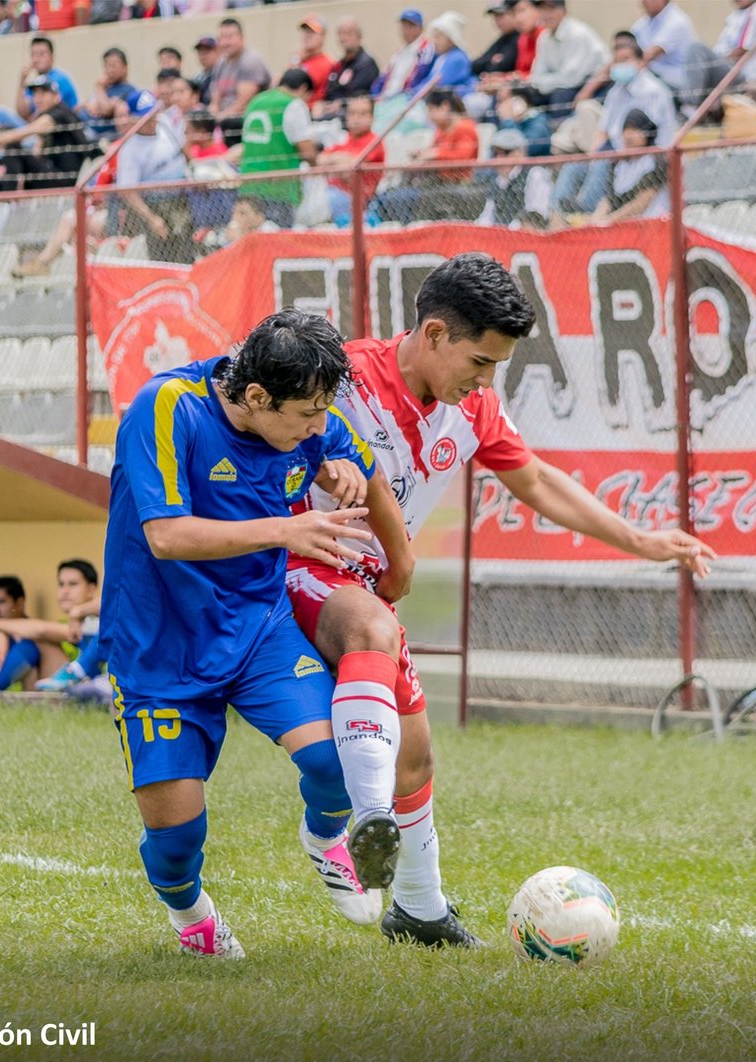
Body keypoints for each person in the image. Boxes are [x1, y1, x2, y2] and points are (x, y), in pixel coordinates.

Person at [286, 255, 715, 945]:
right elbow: (265, 421)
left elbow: (537, 482)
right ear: (433, 333)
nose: (486, 382)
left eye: (496, 368)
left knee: (417, 752)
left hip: (375, 582)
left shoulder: (473, 408)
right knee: (371, 631)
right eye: (479, 362)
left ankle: (420, 912)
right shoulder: (344, 379)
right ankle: (356, 823)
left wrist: (638, 539)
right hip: (303, 562)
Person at [101, 308, 408, 957]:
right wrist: (285, 529)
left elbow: (359, 464)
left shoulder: (309, 423)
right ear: (257, 396)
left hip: (257, 625)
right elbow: (165, 535)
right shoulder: (168, 407)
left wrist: (348, 479)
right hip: (158, 646)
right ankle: (192, 915)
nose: (318, 428)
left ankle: (326, 839)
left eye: (325, 413)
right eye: (305, 416)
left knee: (333, 764)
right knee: (178, 836)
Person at [554, 33, 676, 218]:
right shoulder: (615, 91)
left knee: (602, 162)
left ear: (640, 61)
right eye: (617, 61)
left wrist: (611, 154)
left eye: (626, 59)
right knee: (574, 166)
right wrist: (591, 156)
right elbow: (602, 132)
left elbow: (649, 133)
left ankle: (585, 210)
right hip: (616, 152)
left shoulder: (654, 91)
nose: (621, 65)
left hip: (642, 153)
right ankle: (558, 212)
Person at [0, 559, 101, 689]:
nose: (65, 591)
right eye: (61, 584)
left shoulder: (94, 620)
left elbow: (40, 630)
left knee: (39, 640)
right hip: (65, 685)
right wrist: (2, 633)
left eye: (73, 584)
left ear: (91, 589)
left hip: (90, 687)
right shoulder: (65, 622)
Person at [374, 89, 483, 224]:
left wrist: (435, 154)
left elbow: (463, 157)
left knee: (404, 198)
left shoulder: (465, 127)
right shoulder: (441, 130)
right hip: (435, 182)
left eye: (431, 110)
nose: (430, 117)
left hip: (454, 184)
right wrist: (422, 155)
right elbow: (434, 152)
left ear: (444, 107)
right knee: (391, 194)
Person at [111, 103, 193, 263]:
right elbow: (127, 191)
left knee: (187, 252)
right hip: (157, 205)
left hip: (183, 199)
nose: (153, 121)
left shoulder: (165, 125)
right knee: (164, 257)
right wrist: (152, 218)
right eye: (147, 119)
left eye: (154, 116)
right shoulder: (130, 149)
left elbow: (183, 149)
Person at [237, 68, 317, 228]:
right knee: (277, 244)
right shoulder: (293, 104)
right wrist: (315, 161)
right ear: (303, 88)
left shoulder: (255, 101)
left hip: (248, 185)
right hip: (278, 188)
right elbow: (307, 151)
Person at [0, 76, 91, 190]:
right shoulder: (47, 114)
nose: (37, 99)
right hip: (50, 173)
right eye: (35, 94)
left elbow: (28, 131)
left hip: (64, 178)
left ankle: (8, 198)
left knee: (12, 146)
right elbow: (37, 154)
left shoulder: (59, 113)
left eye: (43, 93)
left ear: (56, 96)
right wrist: (3, 167)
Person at [527, 0, 609, 111]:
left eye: (550, 9)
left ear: (563, 11)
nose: (545, 14)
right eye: (541, 9)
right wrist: (543, 82)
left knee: (561, 96)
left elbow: (570, 79)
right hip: (561, 85)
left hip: (595, 85)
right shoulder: (544, 38)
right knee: (528, 95)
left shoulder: (576, 33)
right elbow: (535, 77)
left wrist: (544, 82)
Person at [317, 95, 385, 226]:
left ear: (372, 117)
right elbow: (319, 160)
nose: (356, 118)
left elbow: (352, 165)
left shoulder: (374, 142)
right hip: (334, 194)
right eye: (352, 113)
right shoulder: (345, 139)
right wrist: (342, 158)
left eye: (362, 114)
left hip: (357, 201)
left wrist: (335, 160)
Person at [593, 108, 670, 222]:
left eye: (634, 129)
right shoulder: (619, 164)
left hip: (653, 222)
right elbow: (608, 199)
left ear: (646, 133)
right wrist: (596, 220)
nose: (628, 135)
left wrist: (610, 220)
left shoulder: (656, 161)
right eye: (626, 129)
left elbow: (641, 203)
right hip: (620, 225)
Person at [210, 17, 273, 142]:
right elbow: (215, 98)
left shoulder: (250, 61)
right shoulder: (221, 63)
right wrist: (211, 115)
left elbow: (241, 104)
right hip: (224, 118)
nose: (225, 42)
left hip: (247, 119)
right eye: (222, 37)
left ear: (241, 38)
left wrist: (217, 119)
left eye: (230, 37)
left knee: (230, 123)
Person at [476, 127, 553, 227]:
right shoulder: (497, 180)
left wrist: (511, 231)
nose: (499, 158)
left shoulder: (535, 174)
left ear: (521, 152)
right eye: (496, 153)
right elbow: (487, 215)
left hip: (527, 237)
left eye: (505, 153)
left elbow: (537, 212)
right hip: (500, 235)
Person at [80, 46, 158, 139]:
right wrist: (87, 104)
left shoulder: (129, 90)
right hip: (82, 129)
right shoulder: (107, 88)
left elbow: (105, 110)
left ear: (125, 67)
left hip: (101, 138)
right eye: (106, 66)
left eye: (113, 66)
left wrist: (99, 87)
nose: (110, 70)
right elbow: (77, 107)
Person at [320, 17, 379, 117]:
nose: (343, 38)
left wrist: (340, 103)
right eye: (340, 33)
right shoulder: (339, 65)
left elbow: (357, 94)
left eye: (348, 33)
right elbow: (330, 91)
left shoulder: (366, 64)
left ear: (359, 36)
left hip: (354, 115)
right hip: (332, 112)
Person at [715, 0, 756, 85]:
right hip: (730, 72)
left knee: (699, 51)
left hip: (747, 78)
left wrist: (715, 63)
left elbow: (740, 52)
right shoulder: (735, 15)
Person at [17, 37, 79, 119]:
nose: (36, 59)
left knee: (0, 114)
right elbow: (23, 113)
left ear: (52, 57)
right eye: (33, 54)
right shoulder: (36, 83)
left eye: (41, 54)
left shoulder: (59, 78)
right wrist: (22, 81)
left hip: (63, 127)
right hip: (39, 125)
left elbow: (45, 113)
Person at [375, 9, 432, 99]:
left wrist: (407, 96)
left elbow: (421, 76)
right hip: (386, 99)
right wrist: (375, 94)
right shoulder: (400, 51)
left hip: (406, 100)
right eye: (404, 26)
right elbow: (384, 76)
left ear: (420, 28)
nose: (406, 30)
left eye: (410, 26)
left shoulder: (426, 49)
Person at [423, 13, 476, 96]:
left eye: (439, 37)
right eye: (434, 37)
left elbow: (438, 84)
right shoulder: (441, 57)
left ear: (451, 39)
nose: (435, 42)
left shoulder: (457, 58)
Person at [294, 16, 336, 104]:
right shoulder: (300, 60)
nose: (307, 35)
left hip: (311, 112)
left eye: (312, 32)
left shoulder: (327, 63)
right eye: (305, 31)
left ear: (323, 36)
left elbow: (297, 88)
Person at [193, 36, 220, 106]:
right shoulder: (198, 77)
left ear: (218, 52)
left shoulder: (223, 73)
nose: (203, 56)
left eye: (206, 52)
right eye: (200, 53)